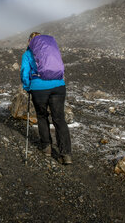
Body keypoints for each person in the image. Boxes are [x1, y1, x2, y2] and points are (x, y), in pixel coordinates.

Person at [20, 32, 72, 164]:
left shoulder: (27, 54)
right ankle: (66, 155)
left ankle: (47, 148)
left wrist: (27, 87)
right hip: (58, 86)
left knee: (42, 116)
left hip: (39, 88)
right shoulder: (52, 50)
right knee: (59, 119)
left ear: (30, 41)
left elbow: (24, 72)